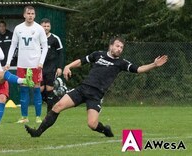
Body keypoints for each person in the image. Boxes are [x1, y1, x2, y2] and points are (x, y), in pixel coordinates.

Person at [25, 36, 168, 138]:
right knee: (57, 106)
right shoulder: (98, 55)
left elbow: (138, 69)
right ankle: (37, 133)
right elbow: (81, 61)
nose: (119, 49)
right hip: (82, 89)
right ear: (111, 45)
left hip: (95, 95)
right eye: (117, 46)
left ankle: (105, 130)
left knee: (92, 124)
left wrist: (154, 65)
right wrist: (68, 66)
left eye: (121, 47)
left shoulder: (121, 63)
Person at [5, 6, 48, 124]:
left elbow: (45, 47)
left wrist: (41, 62)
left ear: (35, 15)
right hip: (22, 65)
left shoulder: (39, 29)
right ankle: (24, 117)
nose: (30, 15)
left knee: (36, 89)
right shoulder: (18, 28)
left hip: (35, 65)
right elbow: (13, 46)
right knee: (23, 89)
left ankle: (38, 116)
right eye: (28, 13)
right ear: (24, 15)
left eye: (32, 13)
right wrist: (8, 62)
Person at [40, 18, 64, 113]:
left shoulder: (55, 39)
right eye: (44, 26)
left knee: (49, 88)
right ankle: (50, 103)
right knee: (40, 89)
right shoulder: (36, 38)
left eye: (47, 26)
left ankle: (49, 112)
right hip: (40, 67)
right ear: (40, 26)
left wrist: (60, 67)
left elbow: (61, 54)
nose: (46, 28)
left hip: (51, 67)